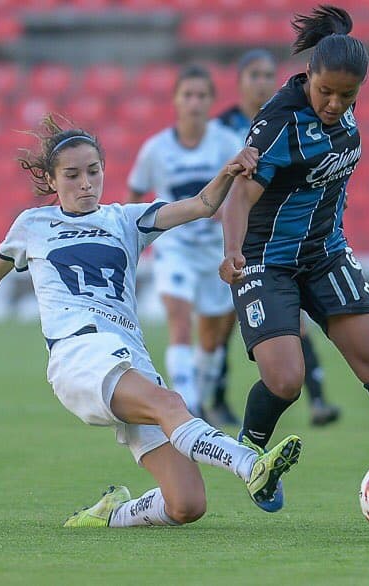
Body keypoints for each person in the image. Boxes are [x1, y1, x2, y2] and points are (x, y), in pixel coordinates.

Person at [0, 115, 301, 527]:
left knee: (186, 505)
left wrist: (227, 172)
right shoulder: (32, 225)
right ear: (51, 178)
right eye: (73, 174)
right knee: (171, 404)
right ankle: (250, 466)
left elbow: (203, 205)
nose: (86, 183)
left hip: (130, 356)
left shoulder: (125, 220)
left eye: (93, 171)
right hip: (79, 353)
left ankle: (111, 515)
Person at [218, 5, 369, 527]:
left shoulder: (340, 103)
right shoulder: (280, 123)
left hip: (325, 253)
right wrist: (233, 252)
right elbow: (238, 199)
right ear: (308, 77)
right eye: (325, 93)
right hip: (266, 259)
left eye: (347, 96)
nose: (334, 104)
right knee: (286, 380)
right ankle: (252, 451)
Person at [214, 48, 342, 427]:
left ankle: (318, 399)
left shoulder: (292, 119)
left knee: (296, 323)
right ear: (238, 82)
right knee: (218, 326)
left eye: (268, 74)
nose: (262, 82)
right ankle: (217, 398)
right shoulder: (222, 129)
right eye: (254, 74)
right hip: (228, 237)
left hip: (275, 244)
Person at [128, 64, 244, 420]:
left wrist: (230, 218)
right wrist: (137, 242)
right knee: (179, 321)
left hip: (215, 252)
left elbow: (242, 192)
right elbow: (135, 192)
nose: (194, 102)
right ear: (177, 100)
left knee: (212, 338)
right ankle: (187, 405)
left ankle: (201, 397)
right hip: (175, 248)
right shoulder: (156, 148)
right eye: (188, 95)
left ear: (211, 101)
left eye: (201, 96)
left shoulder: (227, 144)